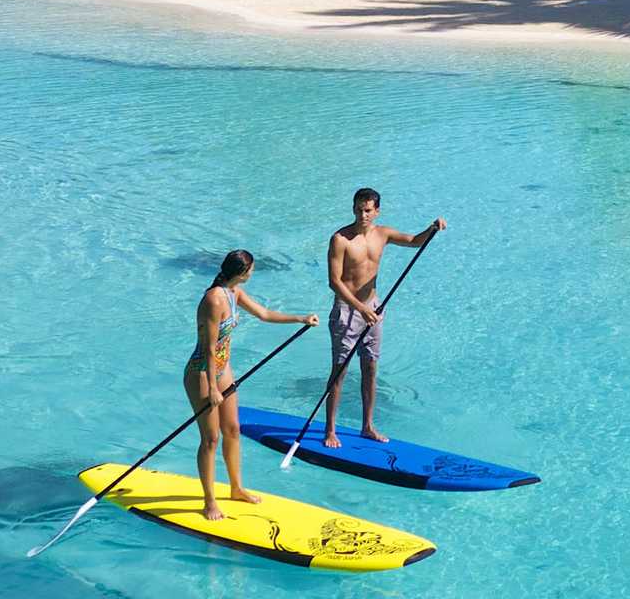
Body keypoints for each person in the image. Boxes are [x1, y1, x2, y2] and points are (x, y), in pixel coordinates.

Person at [187, 250, 312, 522]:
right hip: (202, 373)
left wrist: (300, 319)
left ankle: (236, 488)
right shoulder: (213, 299)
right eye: (251, 269)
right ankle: (209, 501)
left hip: (223, 370)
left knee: (232, 429)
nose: (253, 273)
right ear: (242, 272)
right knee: (211, 439)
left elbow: (265, 314)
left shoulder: (235, 293)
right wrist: (211, 388)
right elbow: (208, 348)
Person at [323, 189, 447, 449]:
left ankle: (367, 426)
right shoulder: (340, 239)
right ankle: (330, 430)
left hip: (374, 309)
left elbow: (414, 240)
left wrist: (431, 229)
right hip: (347, 310)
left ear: (377, 211)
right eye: (358, 209)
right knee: (340, 371)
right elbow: (334, 282)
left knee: (370, 367)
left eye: (368, 210)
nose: (362, 214)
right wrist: (359, 307)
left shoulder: (383, 234)